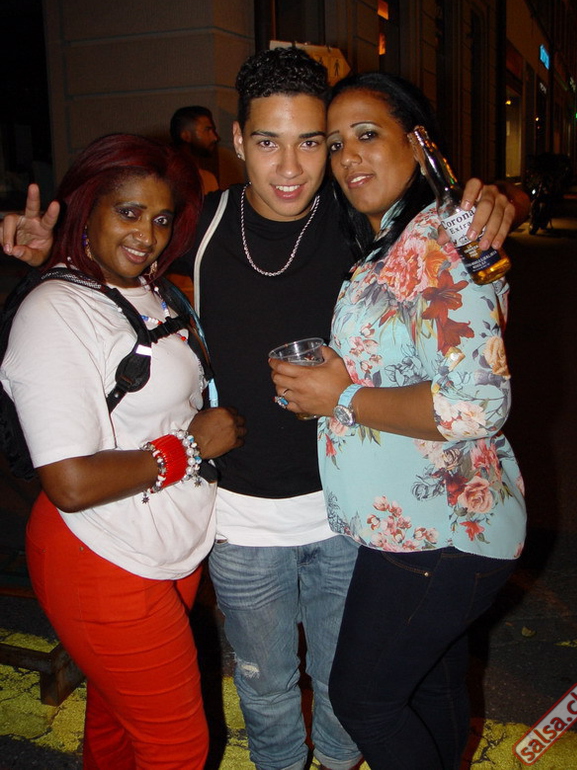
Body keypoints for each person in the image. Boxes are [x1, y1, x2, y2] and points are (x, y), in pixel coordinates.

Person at [0, 49, 520, 770]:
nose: (291, 168)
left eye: (312, 142)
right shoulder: (197, 227)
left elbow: (438, 225)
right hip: (238, 521)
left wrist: (497, 202)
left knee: (346, 692)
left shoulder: (356, 218)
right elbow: (117, 268)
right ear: (239, 141)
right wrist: (53, 254)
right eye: (269, 142)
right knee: (265, 689)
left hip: (347, 515)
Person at [269, 72, 526, 770]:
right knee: (431, 687)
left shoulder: (439, 236)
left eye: (367, 134)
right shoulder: (391, 241)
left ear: (417, 144)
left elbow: (478, 402)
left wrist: (342, 397)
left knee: (366, 702)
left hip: (442, 533)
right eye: (335, 144)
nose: (348, 157)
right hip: (416, 527)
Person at [0, 133, 245, 769]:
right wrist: (191, 446)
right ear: (89, 209)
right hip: (99, 554)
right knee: (178, 748)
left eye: (162, 219)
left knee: (117, 722)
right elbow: (70, 482)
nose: (148, 235)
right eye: (129, 212)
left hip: (167, 544)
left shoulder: (153, 289)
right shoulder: (53, 308)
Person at [170, 105, 220, 194]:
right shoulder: (169, 178)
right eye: (207, 130)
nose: (215, 138)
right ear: (186, 136)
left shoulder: (208, 179)